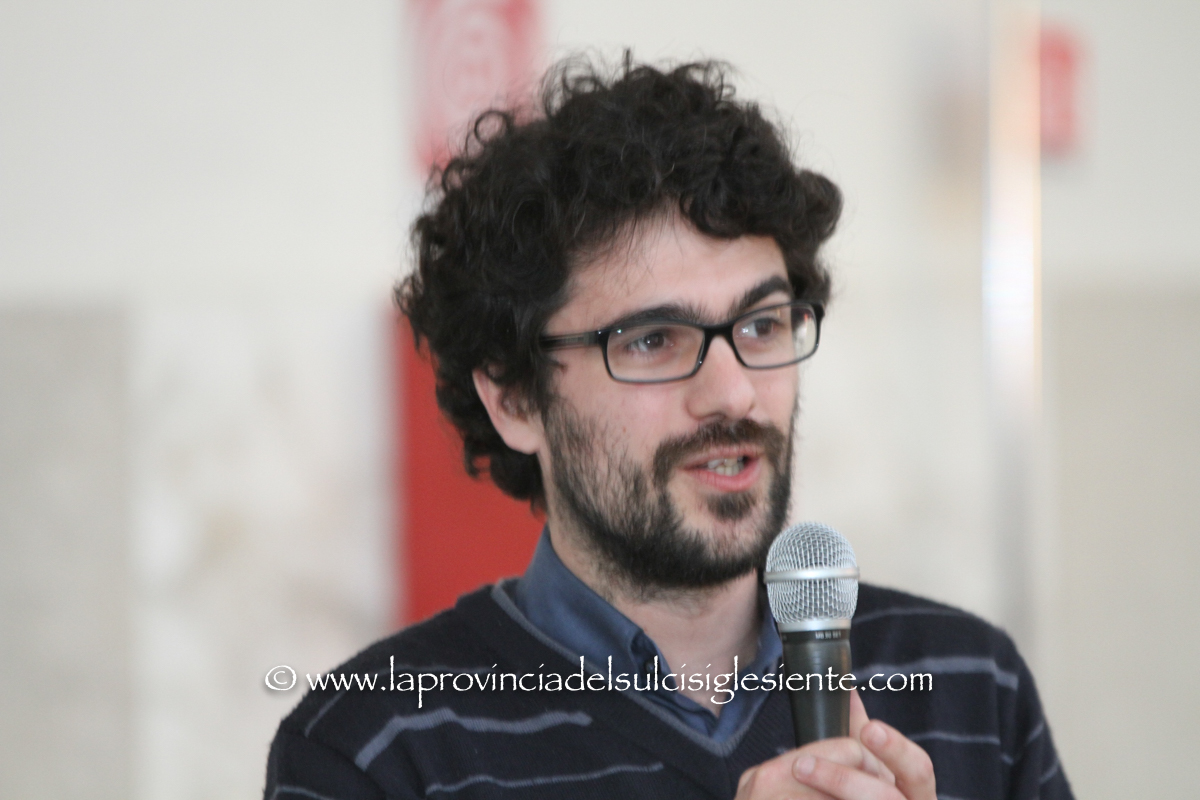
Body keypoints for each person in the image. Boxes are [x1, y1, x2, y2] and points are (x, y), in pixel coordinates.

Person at [265, 57, 1072, 800]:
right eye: (652, 341)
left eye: (761, 325)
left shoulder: (971, 688)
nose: (733, 393)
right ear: (513, 398)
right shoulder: (374, 749)